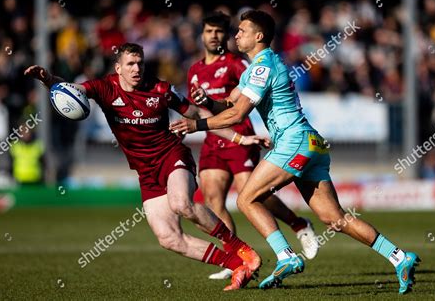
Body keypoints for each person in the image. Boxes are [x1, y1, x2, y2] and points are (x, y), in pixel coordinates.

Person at [170, 10, 420, 293]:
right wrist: (209, 102)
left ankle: (286, 256)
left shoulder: (262, 66)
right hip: (311, 142)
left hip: (294, 140)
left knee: (246, 199)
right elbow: (229, 105)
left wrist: (196, 124)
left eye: (242, 30)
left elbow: (238, 116)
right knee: (334, 218)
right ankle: (400, 257)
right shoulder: (257, 67)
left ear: (258, 36)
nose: (235, 34)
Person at [24, 43, 268, 291]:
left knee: (181, 203)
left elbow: (195, 113)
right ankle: (237, 264)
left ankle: (242, 249)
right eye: (130, 64)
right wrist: (49, 81)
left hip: (172, 156)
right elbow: (72, 91)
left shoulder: (160, 89)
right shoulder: (104, 87)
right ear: (118, 68)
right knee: (169, 238)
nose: (137, 68)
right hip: (146, 171)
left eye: (140, 63)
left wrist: (240, 138)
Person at [188, 11, 319, 280]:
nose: (215, 36)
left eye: (220, 31)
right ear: (201, 34)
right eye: (208, 31)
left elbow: (238, 110)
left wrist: (200, 125)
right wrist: (202, 104)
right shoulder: (195, 70)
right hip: (214, 141)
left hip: (240, 138)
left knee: (252, 194)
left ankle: (297, 225)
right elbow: (223, 104)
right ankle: (236, 258)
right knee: (214, 200)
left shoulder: (242, 64)